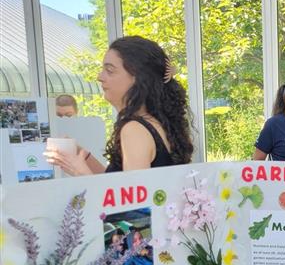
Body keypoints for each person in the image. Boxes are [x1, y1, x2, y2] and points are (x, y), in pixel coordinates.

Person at [44, 36, 193, 175]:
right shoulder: (156, 123)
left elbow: (134, 200)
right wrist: (80, 155)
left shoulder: (134, 130)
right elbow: (117, 185)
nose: (100, 77)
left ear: (138, 78)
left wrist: (81, 174)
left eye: (109, 70)